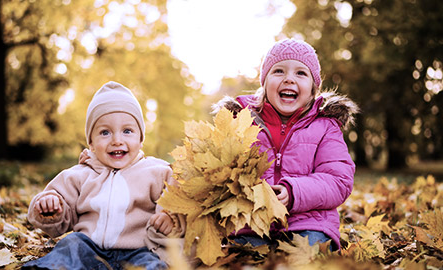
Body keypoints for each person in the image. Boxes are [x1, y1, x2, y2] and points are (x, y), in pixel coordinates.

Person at [212, 38, 359, 251]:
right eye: (278, 71)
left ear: (313, 89)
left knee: (310, 251)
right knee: (241, 255)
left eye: (301, 73)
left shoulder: (325, 126)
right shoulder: (241, 121)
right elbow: (220, 171)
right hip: (251, 224)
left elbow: (338, 180)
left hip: (309, 222)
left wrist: (294, 192)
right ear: (264, 83)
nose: (289, 79)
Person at [23, 81, 183, 270]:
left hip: (140, 250)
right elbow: (60, 215)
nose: (117, 140)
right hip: (89, 249)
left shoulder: (157, 171)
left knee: (152, 264)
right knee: (71, 244)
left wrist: (169, 217)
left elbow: (176, 198)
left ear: (140, 139)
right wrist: (50, 206)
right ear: (91, 142)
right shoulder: (79, 175)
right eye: (105, 132)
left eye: (127, 131)